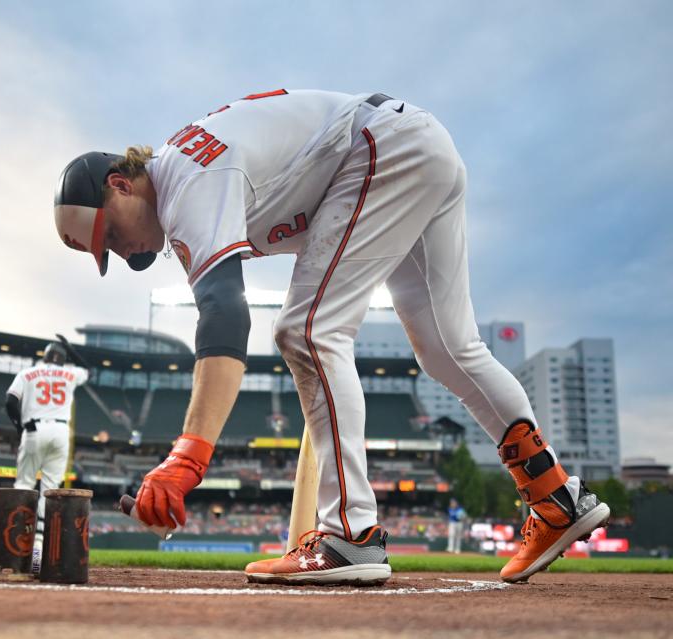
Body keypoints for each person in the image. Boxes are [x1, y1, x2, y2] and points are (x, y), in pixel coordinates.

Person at [52, 89, 611, 585]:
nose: (121, 253)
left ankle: (350, 534)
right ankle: (555, 494)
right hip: (412, 145)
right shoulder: (185, 173)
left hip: (381, 148)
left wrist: (188, 458)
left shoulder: (185, 183)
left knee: (308, 331)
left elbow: (225, 316)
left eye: (110, 234)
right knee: (449, 349)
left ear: (120, 184)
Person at [5, 342, 89, 570]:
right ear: (62, 358)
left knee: (24, 484)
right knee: (50, 489)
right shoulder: (70, 373)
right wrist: (71, 349)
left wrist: (19, 427)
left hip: (34, 428)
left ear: (44, 355)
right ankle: (40, 548)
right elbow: (87, 369)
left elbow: (10, 401)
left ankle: (15, 544)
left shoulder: (28, 372)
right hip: (61, 431)